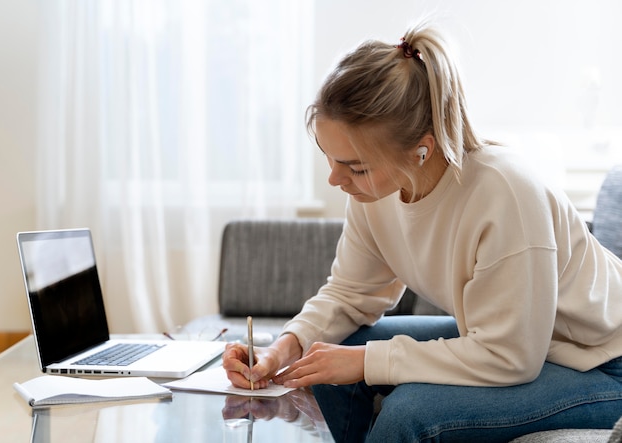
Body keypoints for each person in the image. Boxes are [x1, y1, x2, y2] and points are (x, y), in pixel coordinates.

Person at [222, 21, 622, 442]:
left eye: (355, 166)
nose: (335, 180)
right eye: (330, 157)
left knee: (408, 414)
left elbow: (511, 358)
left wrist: (366, 362)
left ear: (421, 150)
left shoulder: (506, 194)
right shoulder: (374, 192)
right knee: (326, 360)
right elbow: (348, 296)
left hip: (602, 365)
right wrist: (283, 349)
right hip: (526, 349)